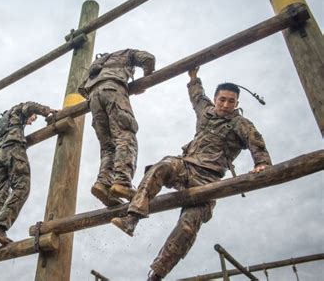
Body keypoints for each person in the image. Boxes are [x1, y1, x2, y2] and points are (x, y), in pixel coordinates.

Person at [111, 66, 272, 280]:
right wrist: (194, 76)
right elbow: (197, 95)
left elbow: (256, 143)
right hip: (186, 166)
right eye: (222, 99)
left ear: (237, 104)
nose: (225, 105)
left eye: (231, 101)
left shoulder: (240, 124)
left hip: (208, 181)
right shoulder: (205, 110)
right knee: (163, 166)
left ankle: (156, 274)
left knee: (188, 227)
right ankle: (132, 219)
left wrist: (262, 163)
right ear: (216, 99)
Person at [0, 102, 57, 250]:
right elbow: (29, 106)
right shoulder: (19, 111)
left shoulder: (6, 121)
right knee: (22, 186)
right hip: (13, 147)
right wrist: (47, 111)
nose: (31, 122)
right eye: (33, 119)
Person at [79, 49, 155, 207]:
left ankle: (103, 184)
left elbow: (81, 88)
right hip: (113, 90)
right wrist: (146, 79)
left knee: (108, 147)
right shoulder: (125, 53)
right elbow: (148, 58)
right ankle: (122, 182)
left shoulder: (96, 64)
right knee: (126, 136)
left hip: (93, 99)